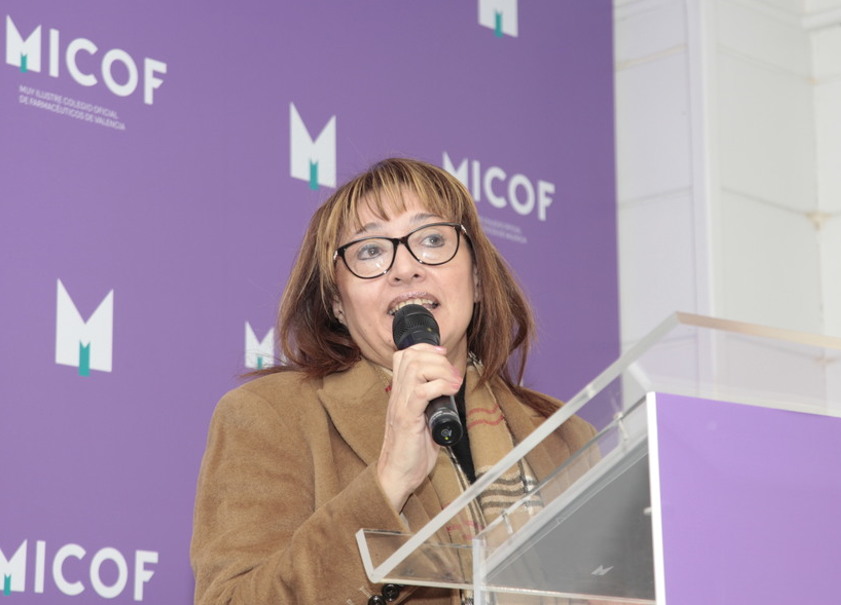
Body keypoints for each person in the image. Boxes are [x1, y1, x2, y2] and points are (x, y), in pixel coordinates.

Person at [190, 157, 595, 604]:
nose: (405, 269)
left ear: (478, 279)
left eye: (432, 239)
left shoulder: (564, 437)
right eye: (370, 251)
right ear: (337, 302)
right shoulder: (270, 415)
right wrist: (388, 482)